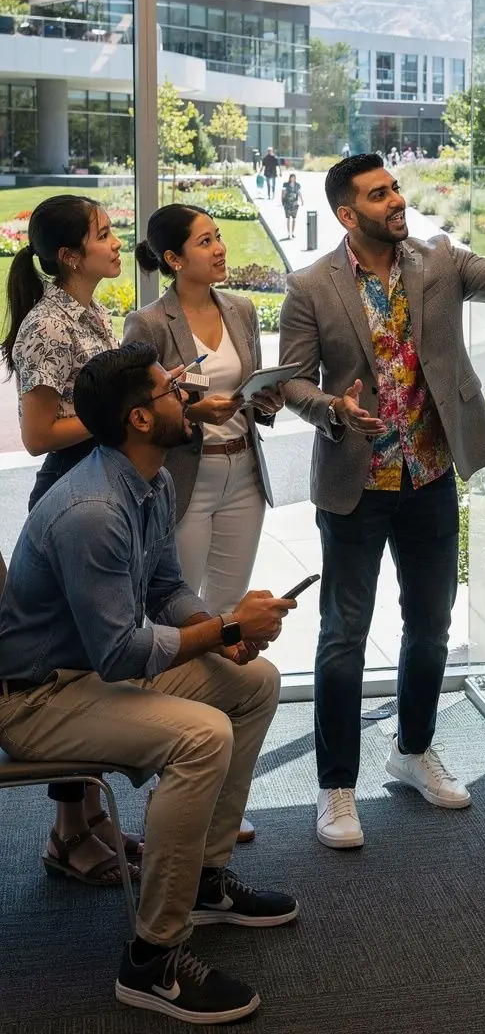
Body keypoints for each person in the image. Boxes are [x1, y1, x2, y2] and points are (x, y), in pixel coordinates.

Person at [278, 151, 485, 848]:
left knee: (429, 625)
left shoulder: (440, 260)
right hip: (355, 485)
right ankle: (336, 785)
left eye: (395, 188)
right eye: (378, 194)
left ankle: (414, 749)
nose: (396, 200)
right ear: (347, 214)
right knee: (343, 636)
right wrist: (334, 408)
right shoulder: (310, 286)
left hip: (428, 476)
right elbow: (292, 382)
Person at [0, 343, 297, 1024]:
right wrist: (225, 627)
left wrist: (221, 633)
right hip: (38, 699)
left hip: (85, 677)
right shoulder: (93, 510)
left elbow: (166, 589)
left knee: (254, 683)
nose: (186, 398)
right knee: (204, 736)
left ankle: (204, 882)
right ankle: (151, 957)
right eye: (172, 390)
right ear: (139, 418)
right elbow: (119, 653)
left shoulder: (151, 481)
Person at [125, 205, 285, 843]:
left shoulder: (240, 309)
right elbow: (139, 408)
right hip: (185, 477)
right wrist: (194, 408)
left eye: (219, 238)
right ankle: (176, 780)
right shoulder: (147, 322)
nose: (219, 249)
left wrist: (267, 398)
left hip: (243, 472)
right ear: (172, 259)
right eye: (205, 241)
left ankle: (216, 788)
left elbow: (255, 397)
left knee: (228, 617)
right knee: (185, 620)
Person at [0, 194, 141, 887]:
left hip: (97, 488)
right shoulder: (48, 325)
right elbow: (37, 436)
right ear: (68, 256)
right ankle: (67, 832)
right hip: (68, 501)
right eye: (104, 234)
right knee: (71, 666)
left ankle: (90, 817)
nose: (117, 244)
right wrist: (118, 414)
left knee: (92, 663)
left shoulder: (89, 314)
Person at [281, 171, 303, 241]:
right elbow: (283, 193)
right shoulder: (285, 185)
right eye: (292, 178)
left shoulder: (297, 185)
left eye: (294, 178)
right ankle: (288, 233)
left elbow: (299, 193)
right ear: (290, 178)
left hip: (294, 204)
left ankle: (292, 232)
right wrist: (282, 201)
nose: (292, 179)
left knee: (294, 218)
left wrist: (302, 200)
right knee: (288, 218)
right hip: (287, 203)